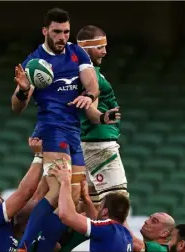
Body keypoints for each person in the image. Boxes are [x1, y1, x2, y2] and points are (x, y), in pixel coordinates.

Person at [13, 8, 120, 251]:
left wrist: (90, 96)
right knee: (58, 188)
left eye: (66, 32)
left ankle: (45, 245)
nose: (62, 37)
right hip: (51, 128)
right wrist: (22, 90)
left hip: (73, 131)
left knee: (70, 198)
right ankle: (25, 245)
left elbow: (92, 84)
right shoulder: (34, 62)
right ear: (45, 31)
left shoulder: (77, 53)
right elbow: (17, 106)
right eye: (57, 32)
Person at [76, 25, 128, 208]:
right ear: (84, 49)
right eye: (99, 47)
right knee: (118, 205)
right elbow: (90, 109)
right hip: (99, 144)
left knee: (89, 207)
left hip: (85, 144)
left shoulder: (76, 71)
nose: (105, 52)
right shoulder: (90, 74)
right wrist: (102, 117)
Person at [51, 158, 133, 252]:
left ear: (105, 211)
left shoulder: (107, 229)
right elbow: (96, 221)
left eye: (100, 206)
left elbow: (66, 215)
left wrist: (64, 181)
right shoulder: (127, 235)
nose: (98, 209)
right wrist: (86, 199)